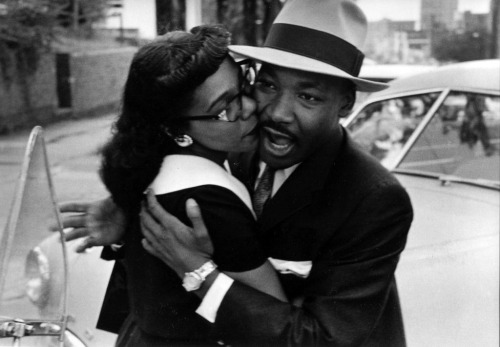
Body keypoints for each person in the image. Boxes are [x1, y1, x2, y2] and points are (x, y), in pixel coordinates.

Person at [60, 0, 413, 345]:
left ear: (346, 103)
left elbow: (321, 339)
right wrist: (131, 216)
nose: (276, 113)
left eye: (308, 97)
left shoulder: (373, 198)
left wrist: (200, 272)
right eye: (268, 85)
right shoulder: (233, 146)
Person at [92, 24, 287, 346]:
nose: (250, 107)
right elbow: (273, 317)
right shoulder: (207, 201)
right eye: (225, 108)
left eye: (244, 85)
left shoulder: (150, 172)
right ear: (176, 130)